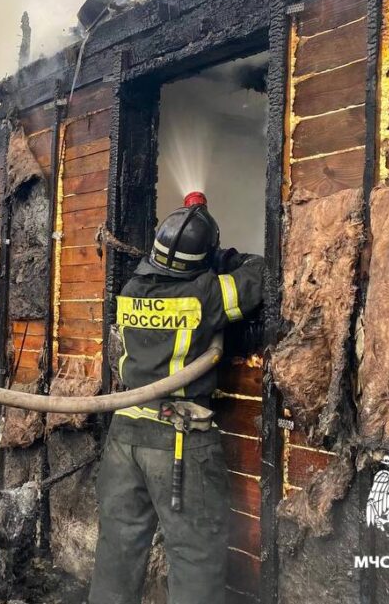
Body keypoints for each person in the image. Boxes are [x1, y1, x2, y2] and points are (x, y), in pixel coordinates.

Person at [88, 198, 263, 604]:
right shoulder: (206, 294)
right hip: (178, 442)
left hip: (124, 437)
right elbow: (260, 276)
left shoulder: (130, 289)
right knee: (195, 555)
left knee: (117, 549)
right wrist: (226, 257)